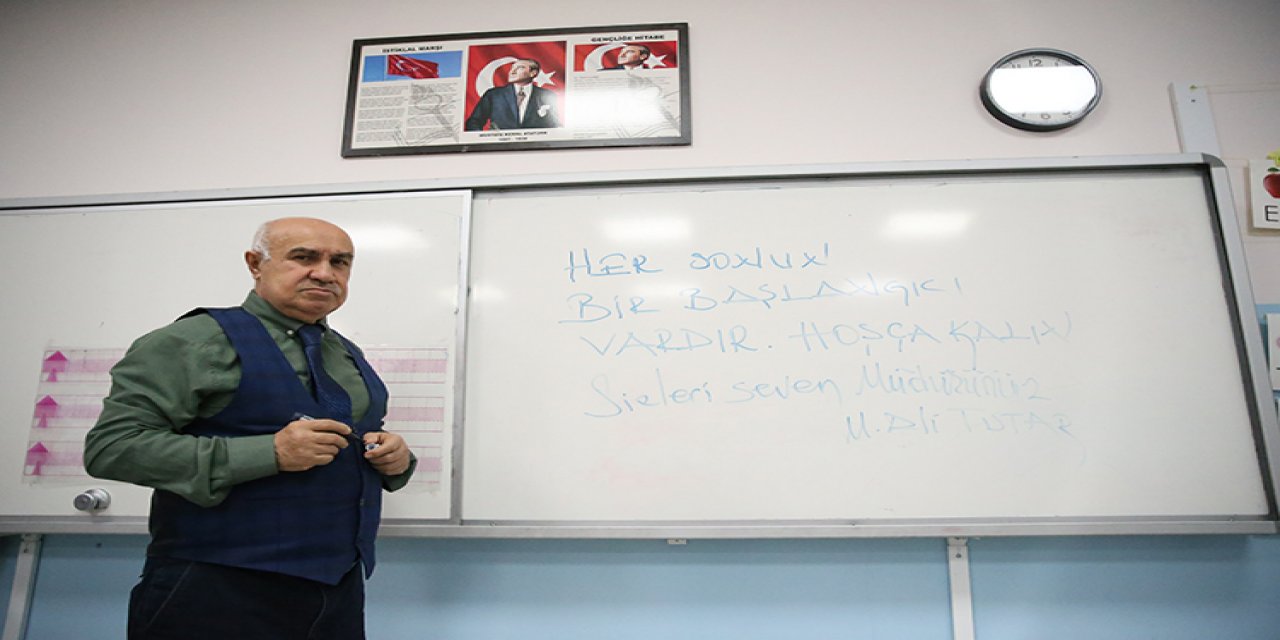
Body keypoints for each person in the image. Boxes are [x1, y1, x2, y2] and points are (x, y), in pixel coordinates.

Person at [84, 217, 416, 640]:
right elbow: (112, 448)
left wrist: (397, 460)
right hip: (216, 589)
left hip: (338, 590)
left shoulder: (345, 352)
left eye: (340, 262)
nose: (324, 273)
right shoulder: (193, 341)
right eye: (304, 257)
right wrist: (270, 453)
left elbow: (360, 437)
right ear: (255, 263)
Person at [464, 58, 560, 130]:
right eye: (512, 68)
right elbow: (474, 122)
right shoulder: (493, 95)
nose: (512, 72)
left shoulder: (548, 96)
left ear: (533, 73)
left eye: (520, 68)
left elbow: (556, 126)